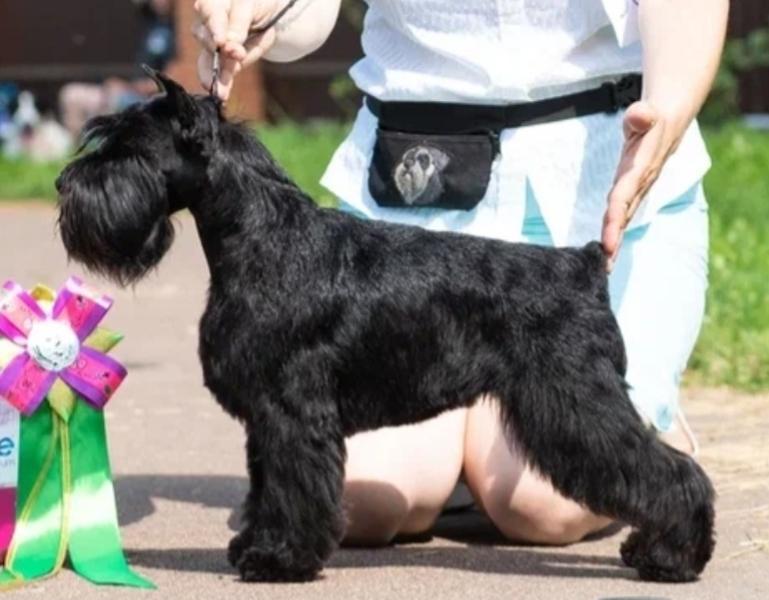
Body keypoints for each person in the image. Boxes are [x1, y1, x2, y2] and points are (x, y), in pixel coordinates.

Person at [192, 0, 728, 546]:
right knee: (363, 498)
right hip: (411, 197)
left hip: (607, 185)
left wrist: (668, 107)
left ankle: (650, 445)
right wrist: (252, 8)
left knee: (543, 506)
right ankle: (466, 454)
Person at [59, 0, 177, 137]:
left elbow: (169, 82)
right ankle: (78, 145)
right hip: (128, 91)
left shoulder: (177, 31)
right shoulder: (150, 23)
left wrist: (127, 87)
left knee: (115, 101)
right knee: (71, 94)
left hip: (146, 100)